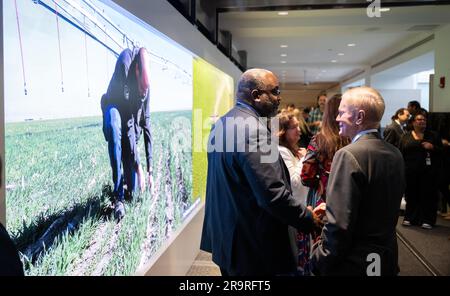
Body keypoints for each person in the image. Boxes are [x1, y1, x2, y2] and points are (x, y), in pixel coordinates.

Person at [200, 68, 322, 276]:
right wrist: (307, 218)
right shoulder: (255, 131)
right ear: (256, 96)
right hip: (252, 248)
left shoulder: (221, 124)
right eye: (274, 92)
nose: (279, 98)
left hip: (227, 239)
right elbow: (272, 195)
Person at [310, 87, 405, 276]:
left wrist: (319, 258)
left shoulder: (348, 155)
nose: (337, 118)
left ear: (359, 117)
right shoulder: (396, 153)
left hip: (354, 262)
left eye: (341, 112)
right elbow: (375, 201)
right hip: (385, 258)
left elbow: (339, 226)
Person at [101, 47, 153, 220]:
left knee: (135, 193)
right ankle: (117, 197)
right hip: (113, 107)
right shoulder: (125, 62)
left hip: (128, 119)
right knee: (116, 129)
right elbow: (125, 121)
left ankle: (126, 185)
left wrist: (148, 169)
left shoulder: (144, 89)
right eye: (140, 90)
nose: (142, 93)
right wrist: (137, 165)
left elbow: (145, 125)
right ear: (137, 69)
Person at [276, 110, 311, 275]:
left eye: (298, 126)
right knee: (295, 260)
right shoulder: (282, 151)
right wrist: (305, 158)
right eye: (293, 127)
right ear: (283, 131)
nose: (299, 130)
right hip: (293, 213)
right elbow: (295, 183)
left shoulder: (292, 149)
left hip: (300, 209)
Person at [301, 94, 349, 211]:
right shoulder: (354, 139)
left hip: (324, 197)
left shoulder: (318, 140)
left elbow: (306, 177)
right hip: (349, 196)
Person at [399, 112, 442, 229]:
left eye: (424, 120)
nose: (422, 121)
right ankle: (410, 218)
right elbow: (400, 152)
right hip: (410, 172)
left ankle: (427, 220)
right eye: (419, 120)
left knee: (428, 196)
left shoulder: (433, 135)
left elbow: (442, 152)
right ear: (413, 122)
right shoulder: (405, 136)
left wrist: (432, 147)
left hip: (428, 173)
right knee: (411, 195)